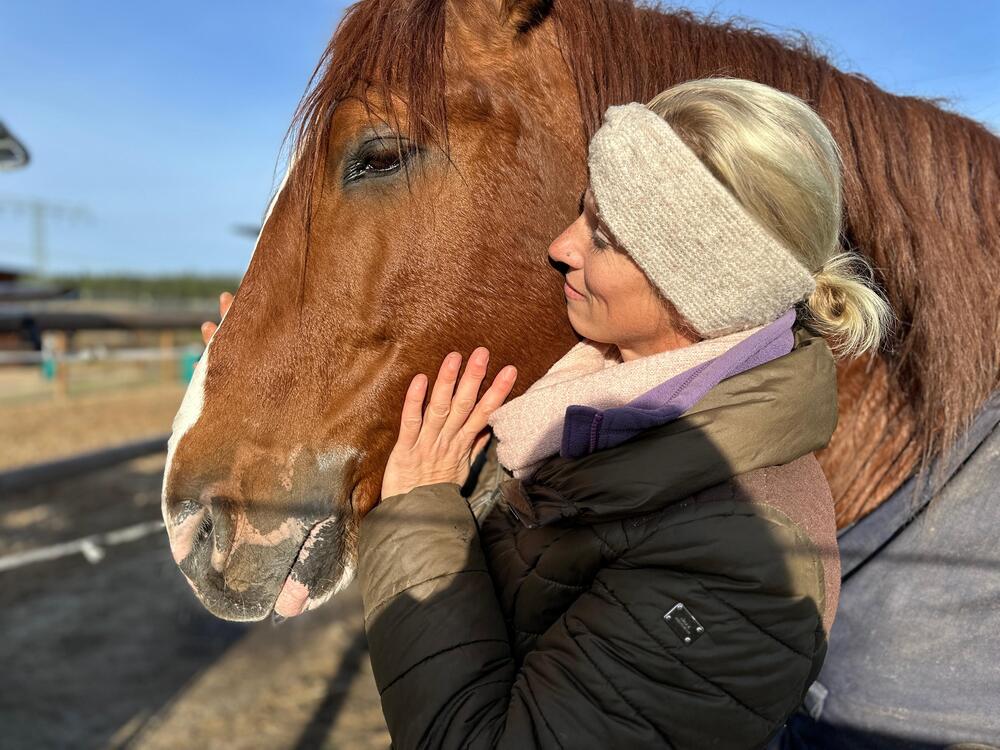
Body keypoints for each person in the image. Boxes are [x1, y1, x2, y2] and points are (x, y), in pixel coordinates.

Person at [205, 77, 893, 749]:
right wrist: (287, 388)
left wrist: (415, 514)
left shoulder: (745, 561)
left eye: (603, 235)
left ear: (694, 284)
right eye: (581, 212)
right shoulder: (587, 399)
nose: (561, 246)